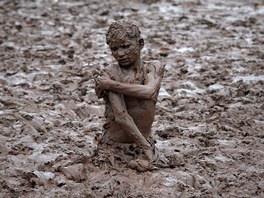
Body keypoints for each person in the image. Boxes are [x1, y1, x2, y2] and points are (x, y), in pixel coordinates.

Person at [94, 20, 165, 168]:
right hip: (115, 148)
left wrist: (111, 85)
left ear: (140, 44)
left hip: (146, 144)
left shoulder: (153, 67)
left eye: (126, 46)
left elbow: (149, 91)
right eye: (114, 49)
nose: (120, 54)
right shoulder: (110, 73)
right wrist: (144, 147)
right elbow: (121, 116)